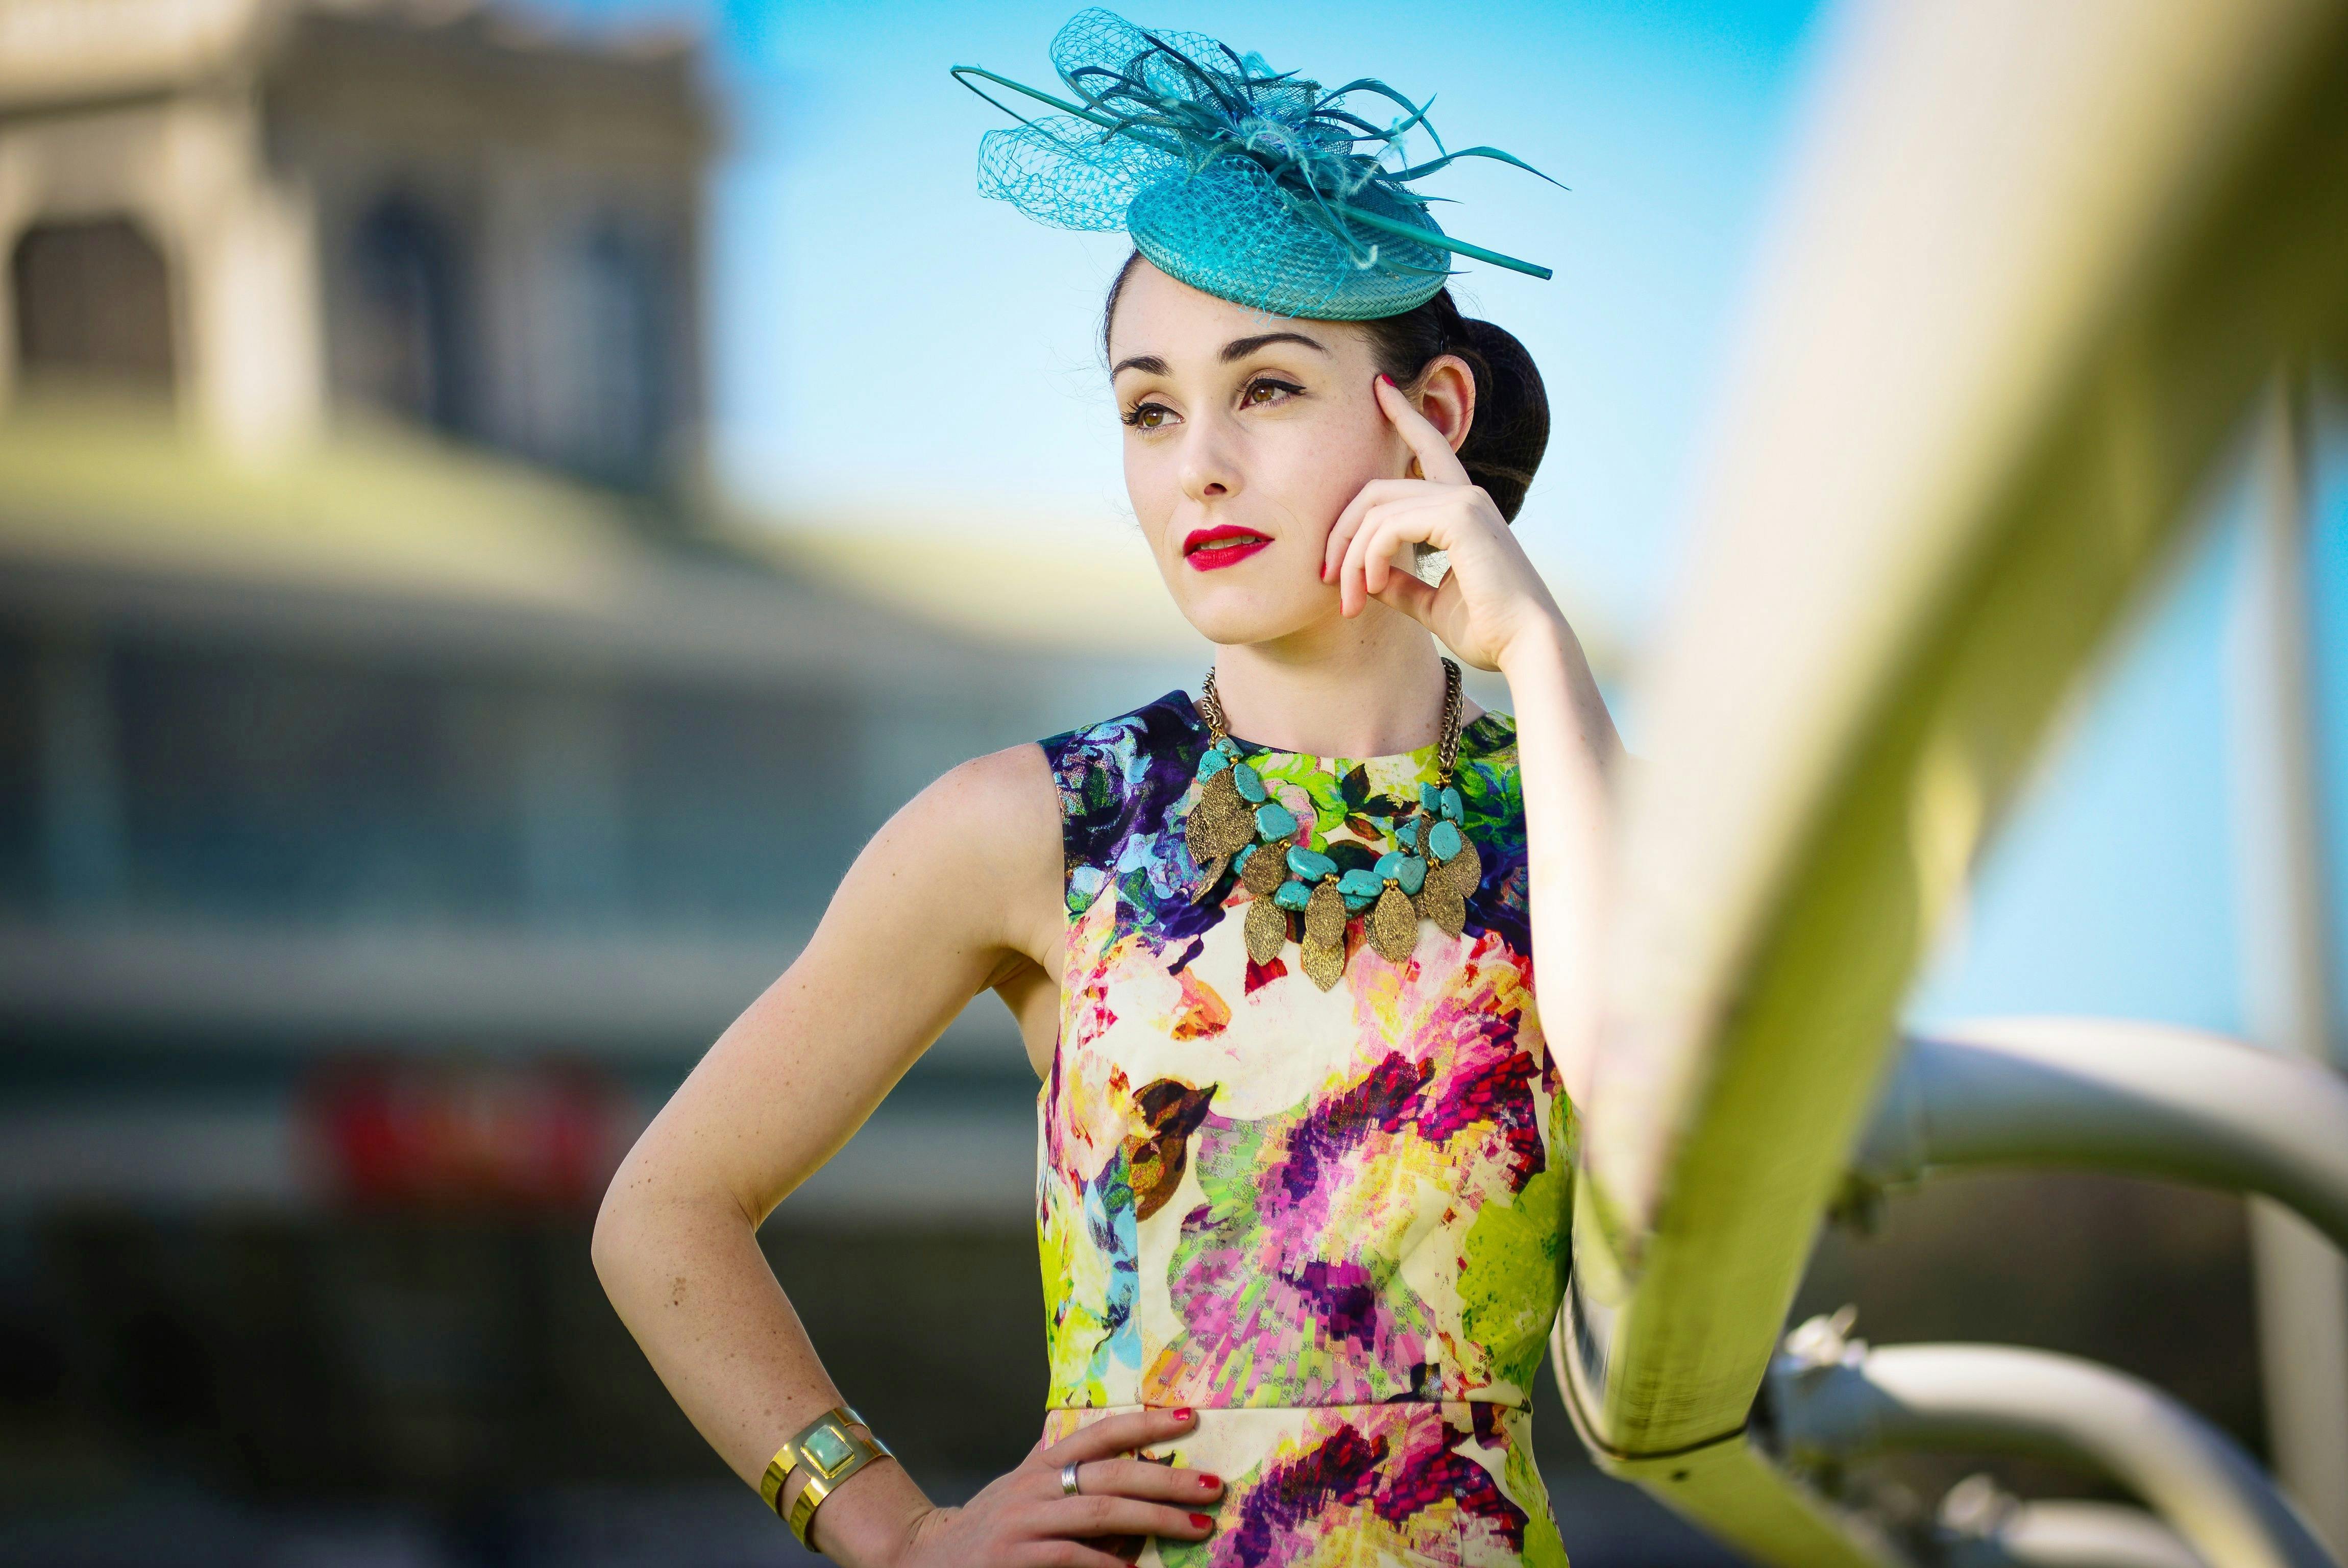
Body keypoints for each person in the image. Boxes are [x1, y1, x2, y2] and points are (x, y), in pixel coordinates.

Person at [593, 11, 1622, 1565]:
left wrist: (1536, 651)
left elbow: (1675, 1136)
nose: (1197, 463)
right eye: (1150, 409)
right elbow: (664, 1211)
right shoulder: (1036, 827)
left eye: (1265, 390)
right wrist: (895, 1537)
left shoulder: (1588, 810)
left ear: (1436, 419)